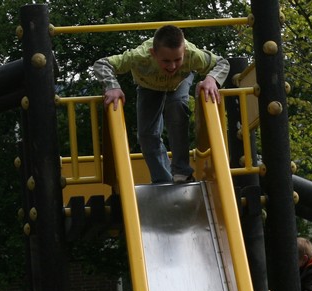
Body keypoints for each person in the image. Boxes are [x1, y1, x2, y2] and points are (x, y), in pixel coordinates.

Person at [92, 24, 229, 184]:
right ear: (153, 53)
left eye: (177, 59)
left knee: (177, 107)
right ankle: (162, 179)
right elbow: (102, 64)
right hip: (148, 85)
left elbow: (222, 63)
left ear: (184, 52)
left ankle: (182, 172)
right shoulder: (140, 56)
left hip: (179, 82)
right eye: (166, 61)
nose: (172, 66)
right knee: (146, 133)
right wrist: (112, 86)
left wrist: (212, 79)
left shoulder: (192, 54)